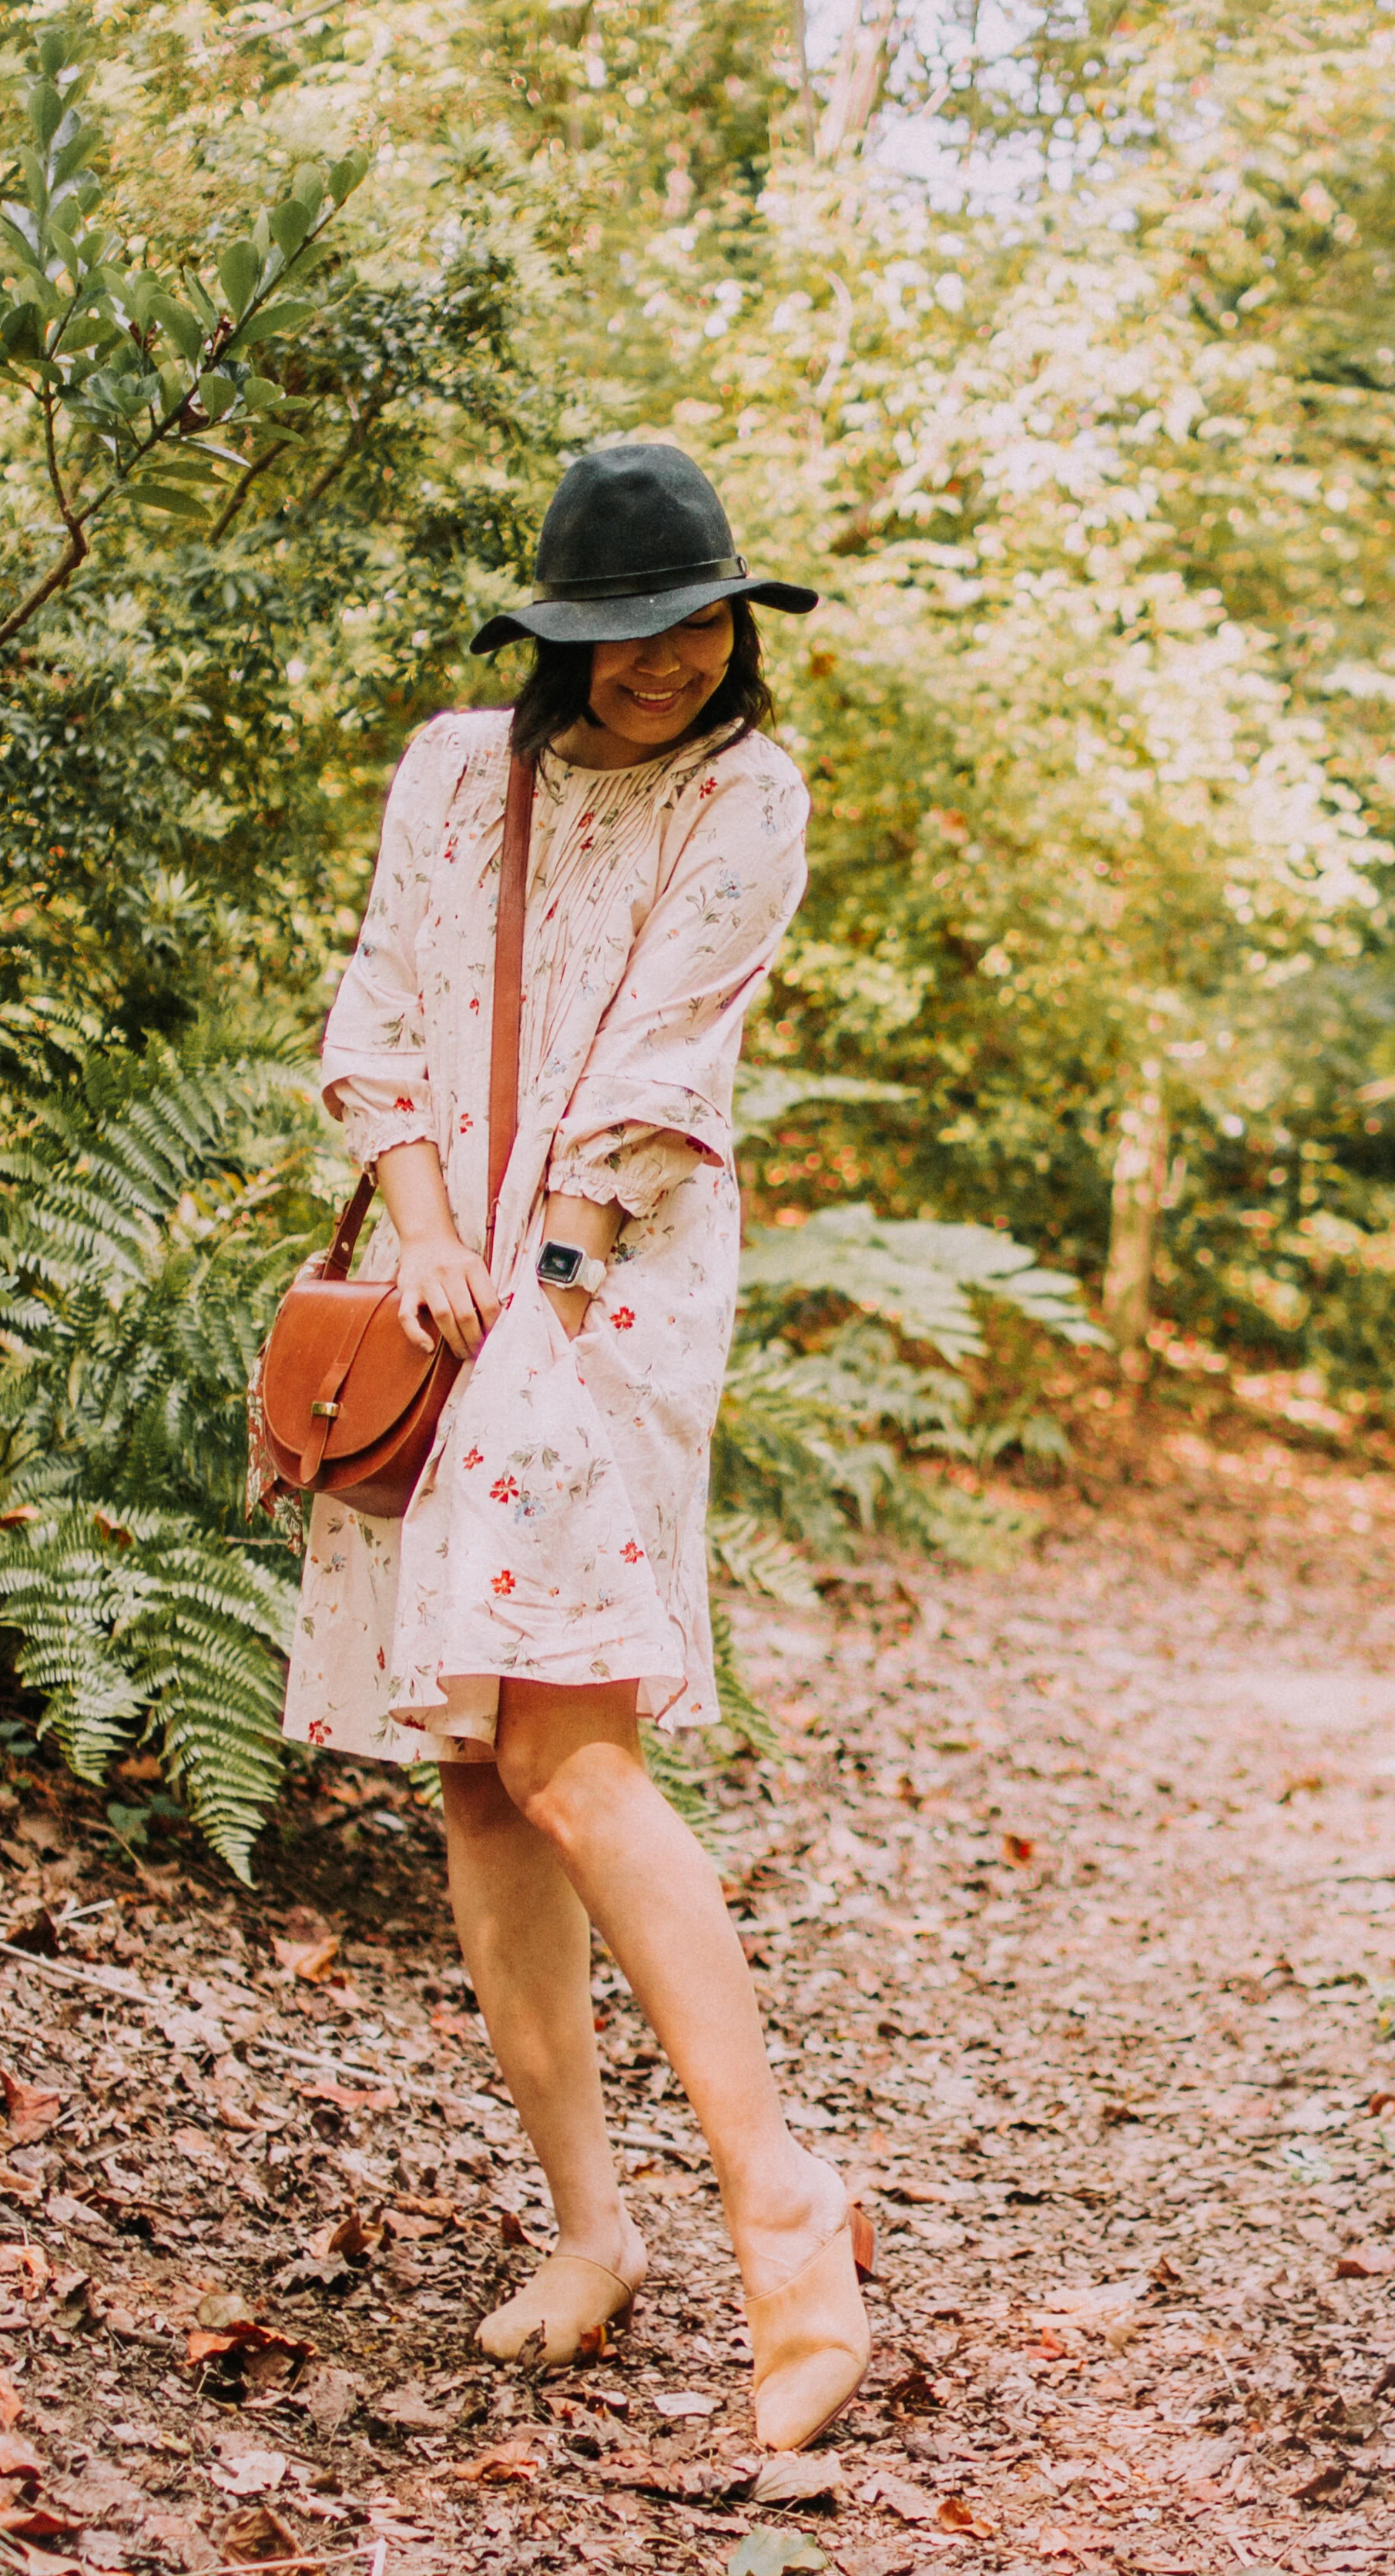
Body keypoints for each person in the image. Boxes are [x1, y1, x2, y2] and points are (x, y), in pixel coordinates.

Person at [250, 445, 874, 2450]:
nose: (664, 663)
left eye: (696, 626)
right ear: (555, 638)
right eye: (622, 633)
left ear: (734, 627)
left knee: (569, 1752)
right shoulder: (456, 772)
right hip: (445, 1276)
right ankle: (589, 2228)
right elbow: (378, 1014)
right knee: (479, 1773)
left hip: (613, 1288)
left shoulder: (746, 793)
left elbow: (666, 1063)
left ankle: (782, 2210)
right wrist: (428, 1233)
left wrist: (545, 1265)